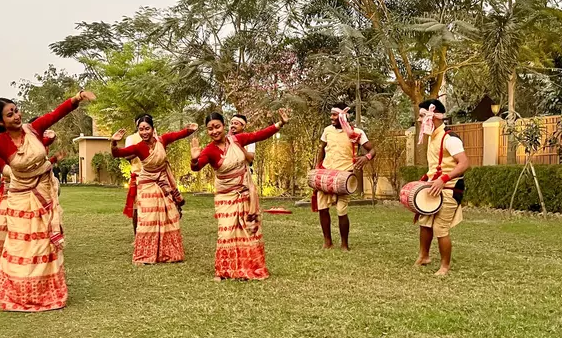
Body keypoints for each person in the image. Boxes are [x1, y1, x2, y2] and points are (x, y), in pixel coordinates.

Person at [0, 91, 96, 312]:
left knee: (44, 243)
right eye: (10, 114)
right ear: (0, 121)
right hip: (21, 198)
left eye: (16, 110)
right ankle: (20, 295)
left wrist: (77, 97)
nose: (16, 116)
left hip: (44, 191)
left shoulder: (33, 129)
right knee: (22, 245)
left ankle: (47, 292)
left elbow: (56, 113)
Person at [190, 109, 290, 281]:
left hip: (245, 191)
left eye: (217, 126)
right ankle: (223, 271)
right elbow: (197, 167)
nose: (214, 131)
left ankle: (249, 268)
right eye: (210, 128)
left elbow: (259, 135)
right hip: (225, 196)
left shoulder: (237, 140)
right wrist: (193, 159)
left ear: (223, 126)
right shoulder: (209, 150)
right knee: (226, 233)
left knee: (247, 232)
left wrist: (279, 124)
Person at [110, 116, 198, 264]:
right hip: (147, 183)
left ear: (152, 129)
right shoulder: (138, 146)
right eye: (141, 129)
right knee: (148, 218)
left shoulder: (162, 141)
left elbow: (178, 135)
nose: (144, 132)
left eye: (147, 128)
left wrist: (190, 130)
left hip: (163, 182)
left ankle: (169, 253)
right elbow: (117, 154)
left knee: (169, 214)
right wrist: (113, 142)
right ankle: (146, 255)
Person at [0, 133, 60, 278]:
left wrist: (50, 136)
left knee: (27, 231)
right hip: (7, 196)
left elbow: (44, 145)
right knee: (0, 233)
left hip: (29, 196)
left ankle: (28, 265)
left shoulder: (26, 151)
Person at [414, 99, 469, 276]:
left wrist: (443, 179)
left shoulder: (450, 138)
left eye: (422, 116)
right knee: (425, 222)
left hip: (450, 188)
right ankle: (424, 256)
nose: (419, 120)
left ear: (434, 117)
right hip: (433, 187)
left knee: (440, 228)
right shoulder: (433, 137)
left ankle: (445, 266)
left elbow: (463, 163)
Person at [314, 103, 375, 251]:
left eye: (334, 115)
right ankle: (327, 242)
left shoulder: (356, 132)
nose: (331, 118)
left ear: (343, 116)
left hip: (345, 175)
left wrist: (366, 157)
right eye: (331, 114)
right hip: (326, 173)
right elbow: (322, 148)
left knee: (342, 210)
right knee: (323, 208)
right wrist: (317, 168)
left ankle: (344, 244)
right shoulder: (327, 130)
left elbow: (372, 149)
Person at [122, 118, 145, 234]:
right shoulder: (131, 138)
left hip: (155, 176)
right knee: (137, 207)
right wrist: (139, 150)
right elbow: (126, 156)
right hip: (138, 175)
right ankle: (137, 236)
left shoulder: (155, 138)